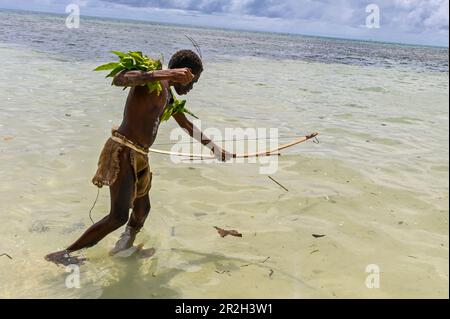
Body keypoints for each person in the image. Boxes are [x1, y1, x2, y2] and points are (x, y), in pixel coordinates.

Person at [45, 50, 234, 265]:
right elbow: (120, 79)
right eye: (193, 81)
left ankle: (124, 247)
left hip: (140, 156)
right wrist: (165, 73)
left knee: (143, 209)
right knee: (118, 217)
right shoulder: (151, 79)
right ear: (185, 72)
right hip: (124, 151)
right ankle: (64, 255)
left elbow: (186, 124)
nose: (191, 88)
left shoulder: (168, 94)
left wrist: (215, 148)